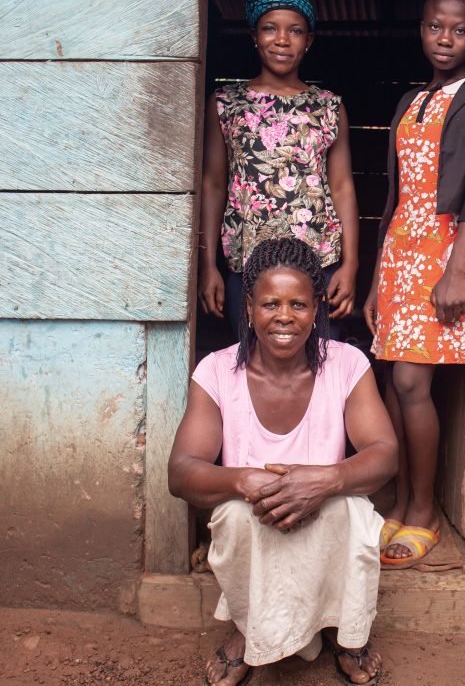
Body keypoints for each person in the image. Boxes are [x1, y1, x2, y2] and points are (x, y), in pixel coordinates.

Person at [169, 237, 396, 686]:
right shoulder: (216, 372)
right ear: (249, 307)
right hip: (256, 517)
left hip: (323, 512)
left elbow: (385, 453)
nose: (285, 317)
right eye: (271, 303)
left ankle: (346, 633)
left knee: (353, 509)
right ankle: (248, 630)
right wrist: (246, 482)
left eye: (299, 304)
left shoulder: (347, 365)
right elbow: (181, 471)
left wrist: (325, 481)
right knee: (233, 515)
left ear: (317, 310)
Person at [363, 0, 465, 568]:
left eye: (460, 29)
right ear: (420, 29)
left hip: (446, 249)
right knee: (394, 382)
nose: (446, 39)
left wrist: (456, 270)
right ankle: (398, 501)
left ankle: (425, 513)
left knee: (414, 384)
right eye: (435, 26)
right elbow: (394, 197)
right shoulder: (409, 102)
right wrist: (373, 282)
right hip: (400, 249)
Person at [198, 0, 360, 337]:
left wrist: (350, 265)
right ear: (254, 35)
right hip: (248, 262)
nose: (282, 40)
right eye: (270, 28)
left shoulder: (328, 107)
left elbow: (343, 186)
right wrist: (207, 265)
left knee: (318, 363)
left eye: (295, 31)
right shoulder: (227, 104)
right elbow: (212, 184)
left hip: (320, 262)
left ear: (309, 40)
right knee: (255, 362)